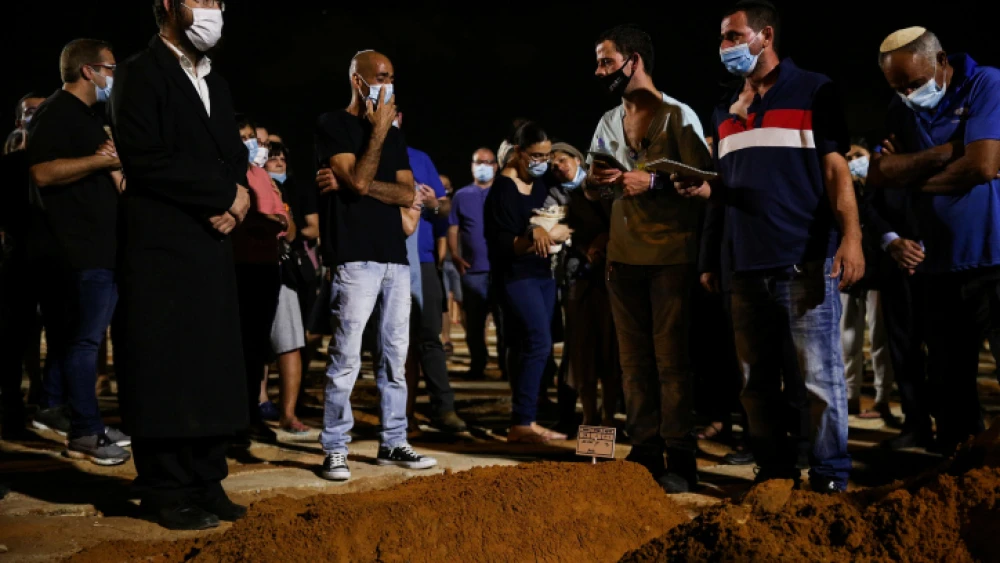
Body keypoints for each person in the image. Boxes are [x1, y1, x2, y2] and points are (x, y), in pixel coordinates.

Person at [693, 0, 864, 493]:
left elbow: (836, 172)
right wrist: (709, 256)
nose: (724, 46)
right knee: (754, 382)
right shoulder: (724, 109)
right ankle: (775, 471)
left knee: (820, 380)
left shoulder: (814, 89)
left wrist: (851, 238)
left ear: (765, 36)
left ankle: (831, 476)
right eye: (722, 38)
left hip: (804, 261)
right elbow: (721, 191)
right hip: (743, 267)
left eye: (733, 36)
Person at [110, 0, 252, 530]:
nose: (215, 10)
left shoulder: (214, 78)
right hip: (163, 244)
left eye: (219, 1)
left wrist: (238, 198)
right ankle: (165, 487)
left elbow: (233, 151)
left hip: (212, 242)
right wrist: (221, 195)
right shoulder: (137, 74)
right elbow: (145, 157)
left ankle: (205, 478)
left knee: (210, 361)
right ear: (167, 6)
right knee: (165, 363)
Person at [584, 24, 712, 493]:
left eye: (606, 61)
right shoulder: (608, 121)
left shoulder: (679, 117)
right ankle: (644, 449)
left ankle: (680, 453)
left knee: (671, 361)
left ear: (634, 60)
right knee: (633, 362)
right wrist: (594, 183)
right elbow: (592, 176)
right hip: (624, 257)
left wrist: (653, 183)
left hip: (670, 256)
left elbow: (704, 183)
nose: (600, 70)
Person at [870, 26, 1000, 454]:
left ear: (942, 61)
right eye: (899, 86)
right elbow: (880, 174)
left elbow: (982, 166)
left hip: (994, 258)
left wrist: (913, 175)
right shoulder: (899, 109)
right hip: (938, 268)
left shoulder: (985, 83)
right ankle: (959, 479)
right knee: (948, 387)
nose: (908, 93)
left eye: (914, 82)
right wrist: (952, 151)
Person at [315, 49, 436, 481]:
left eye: (391, 76)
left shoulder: (398, 138)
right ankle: (334, 447)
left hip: (394, 259)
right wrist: (378, 136)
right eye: (380, 76)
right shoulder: (334, 125)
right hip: (354, 257)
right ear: (358, 80)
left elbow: (407, 195)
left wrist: (358, 186)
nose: (388, 84)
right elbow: (363, 177)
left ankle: (394, 441)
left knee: (395, 356)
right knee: (346, 356)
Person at [25, 38, 130, 464]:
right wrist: (100, 163)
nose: (113, 75)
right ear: (89, 70)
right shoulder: (57, 112)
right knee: (85, 343)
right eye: (110, 67)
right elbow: (42, 172)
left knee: (78, 340)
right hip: (80, 249)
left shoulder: (86, 116)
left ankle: (62, 410)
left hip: (99, 246)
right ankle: (86, 431)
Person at [485, 121, 571, 443]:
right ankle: (523, 422)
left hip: (542, 273)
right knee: (538, 342)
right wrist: (538, 234)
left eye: (546, 156)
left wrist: (548, 230)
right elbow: (503, 244)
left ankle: (525, 417)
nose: (542, 162)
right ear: (518, 153)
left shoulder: (538, 184)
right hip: (516, 276)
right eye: (536, 155)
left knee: (531, 345)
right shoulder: (502, 191)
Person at [397, 113, 467, 432]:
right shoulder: (361, 155)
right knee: (393, 343)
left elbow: (444, 209)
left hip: (421, 261)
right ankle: (401, 415)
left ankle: (444, 408)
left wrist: (432, 205)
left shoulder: (420, 159)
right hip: (382, 258)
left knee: (429, 337)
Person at [553, 142, 622, 428]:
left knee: (611, 355)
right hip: (582, 282)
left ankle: (608, 417)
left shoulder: (618, 196)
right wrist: (587, 247)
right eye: (597, 168)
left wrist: (607, 238)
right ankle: (589, 416)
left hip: (615, 284)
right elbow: (575, 231)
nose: (599, 173)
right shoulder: (578, 198)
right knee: (583, 355)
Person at [232, 114, 288, 445]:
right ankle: (233, 419)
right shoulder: (230, 174)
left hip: (266, 269)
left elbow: (287, 225)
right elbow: (250, 220)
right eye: (244, 137)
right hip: (238, 268)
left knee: (256, 348)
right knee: (236, 347)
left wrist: (269, 221)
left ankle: (251, 416)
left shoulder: (264, 178)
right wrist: (270, 221)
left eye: (254, 137)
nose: (253, 143)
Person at [842, 141, 895, 421]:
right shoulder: (842, 188)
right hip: (849, 270)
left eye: (859, 156)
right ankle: (850, 396)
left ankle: (881, 399)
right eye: (848, 157)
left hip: (878, 269)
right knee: (847, 336)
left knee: (879, 337)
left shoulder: (881, 187)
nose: (853, 161)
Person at [265, 142, 317, 433]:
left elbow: (299, 228)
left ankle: (288, 412)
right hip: (247, 268)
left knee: (290, 342)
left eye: (282, 158)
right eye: (273, 158)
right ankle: (258, 404)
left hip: (285, 271)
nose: (279, 163)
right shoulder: (246, 179)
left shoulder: (294, 189)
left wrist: (283, 217)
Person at [449, 148, 505, 381]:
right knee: (474, 325)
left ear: (496, 166)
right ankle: (477, 365)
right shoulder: (462, 195)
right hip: (473, 271)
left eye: (488, 162)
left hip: (501, 270)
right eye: (478, 162)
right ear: (472, 166)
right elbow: (454, 228)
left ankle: (505, 367)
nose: (483, 166)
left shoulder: (503, 192)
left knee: (504, 324)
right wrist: (454, 254)